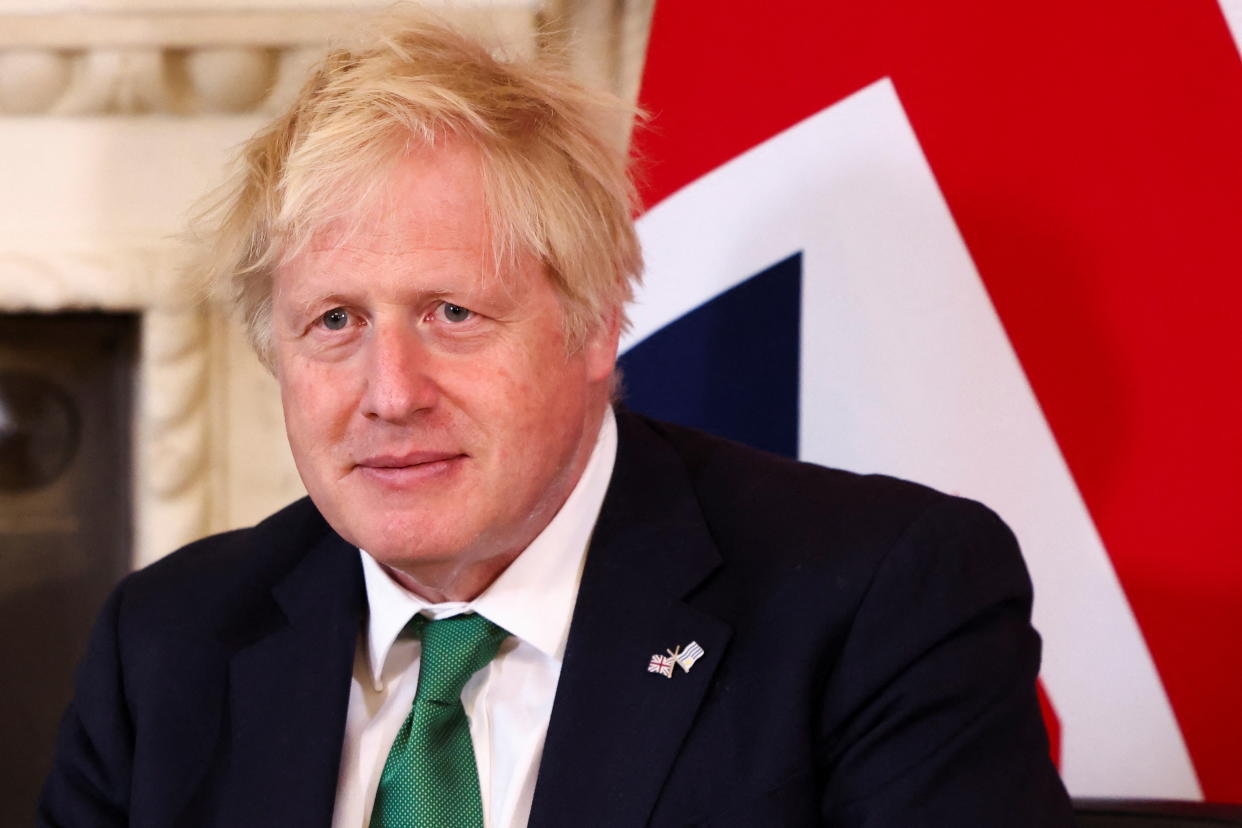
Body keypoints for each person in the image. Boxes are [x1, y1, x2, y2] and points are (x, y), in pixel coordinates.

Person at [38, 10, 1073, 828]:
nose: (390, 392)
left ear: (592, 327)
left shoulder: (880, 603)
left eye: (453, 314)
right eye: (335, 321)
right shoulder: (168, 644)